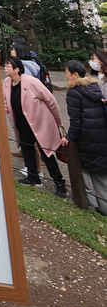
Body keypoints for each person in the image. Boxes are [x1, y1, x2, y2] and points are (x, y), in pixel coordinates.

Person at [2, 57, 67, 197]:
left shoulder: (32, 82)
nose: (5, 68)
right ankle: (33, 177)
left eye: (8, 66)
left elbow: (51, 101)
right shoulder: (7, 83)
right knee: (27, 151)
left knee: (47, 154)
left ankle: (60, 184)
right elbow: (5, 103)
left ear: (17, 69)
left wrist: (58, 122)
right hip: (22, 125)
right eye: (5, 66)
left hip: (40, 125)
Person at [61, 59, 107, 215]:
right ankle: (104, 208)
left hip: (85, 138)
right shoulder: (95, 86)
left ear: (75, 74)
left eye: (67, 73)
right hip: (101, 136)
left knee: (82, 172)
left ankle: (89, 205)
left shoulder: (74, 92)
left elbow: (76, 120)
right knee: (101, 176)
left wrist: (69, 137)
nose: (66, 76)